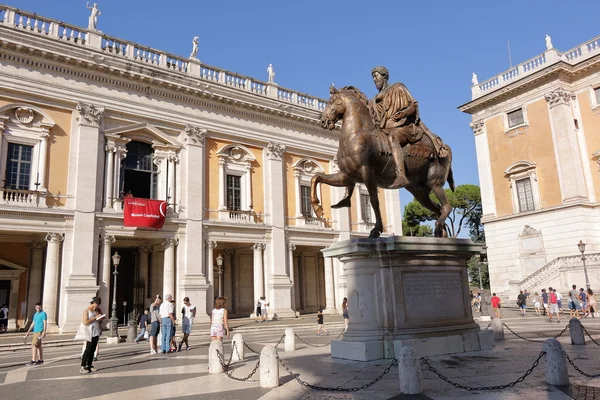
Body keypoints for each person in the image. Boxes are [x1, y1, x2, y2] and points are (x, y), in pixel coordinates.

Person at [80, 297, 104, 373]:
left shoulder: (95, 311)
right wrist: (95, 318)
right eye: (97, 304)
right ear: (94, 303)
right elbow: (85, 322)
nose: (97, 306)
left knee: (93, 350)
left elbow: (97, 320)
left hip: (96, 332)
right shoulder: (86, 311)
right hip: (90, 332)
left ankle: (89, 365)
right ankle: (83, 366)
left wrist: (100, 318)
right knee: (88, 350)